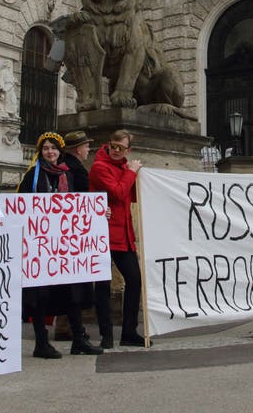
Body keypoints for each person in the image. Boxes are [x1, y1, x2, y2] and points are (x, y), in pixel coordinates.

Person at [18, 132, 104, 358]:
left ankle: (79, 339)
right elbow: (22, 206)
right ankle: (41, 343)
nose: (50, 152)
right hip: (41, 247)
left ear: (60, 151)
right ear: (40, 151)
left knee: (72, 293)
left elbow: (81, 204)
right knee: (41, 295)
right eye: (46, 148)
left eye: (54, 148)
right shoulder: (32, 176)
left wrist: (97, 212)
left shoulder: (67, 174)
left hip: (65, 248)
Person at [89, 129, 145, 347]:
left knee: (134, 280)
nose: (115, 150)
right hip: (104, 234)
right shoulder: (99, 167)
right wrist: (131, 173)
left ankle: (129, 331)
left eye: (120, 148)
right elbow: (118, 192)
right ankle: (107, 335)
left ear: (127, 150)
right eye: (113, 146)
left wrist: (136, 175)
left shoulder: (124, 167)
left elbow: (131, 196)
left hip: (123, 234)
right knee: (103, 284)